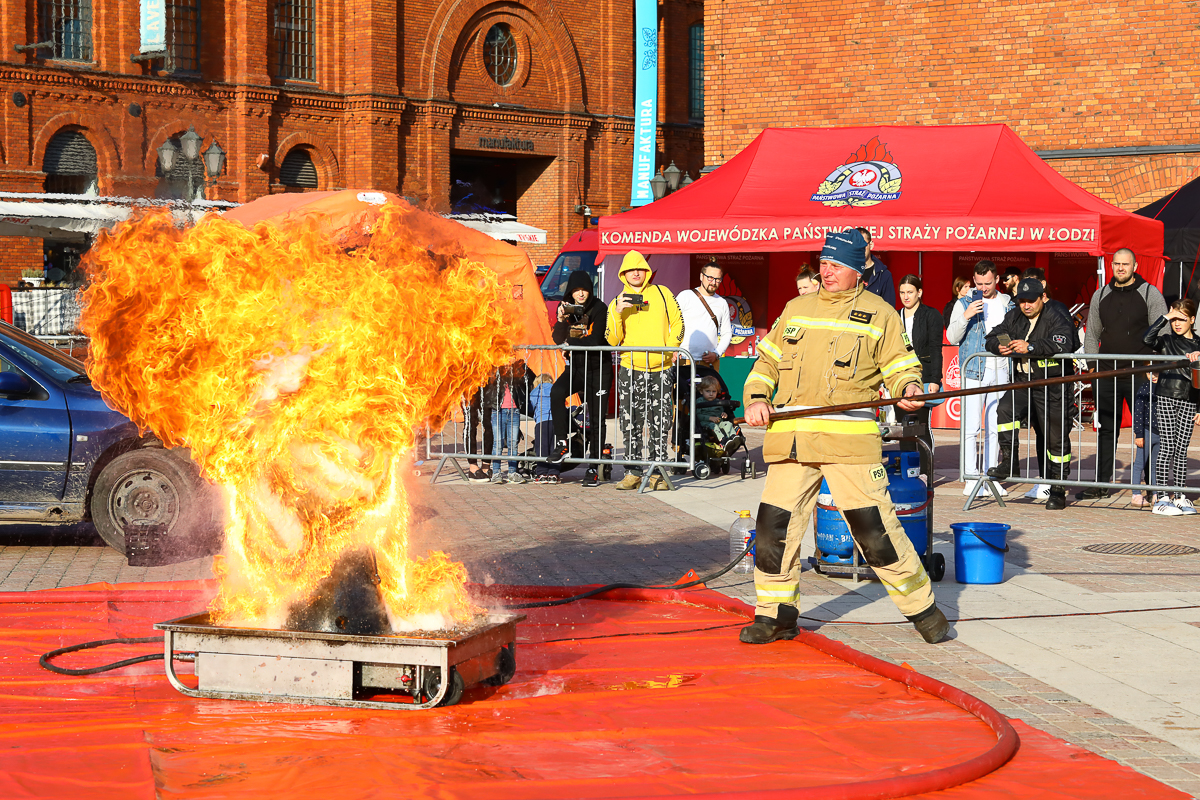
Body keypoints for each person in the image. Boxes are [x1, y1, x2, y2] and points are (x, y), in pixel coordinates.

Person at [739, 229, 949, 646]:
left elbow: (901, 366)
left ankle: (924, 610)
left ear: (858, 270)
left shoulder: (880, 313)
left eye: (836, 265)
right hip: (793, 442)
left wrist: (909, 390)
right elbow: (767, 363)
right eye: (823, 263)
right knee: (772, 530)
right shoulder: (796, 308)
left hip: (847, 443)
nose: (826, 271)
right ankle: (776, 614)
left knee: (875, 532)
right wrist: (757, 397)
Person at [1080, 248, 1167, 500]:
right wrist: (1093, 367)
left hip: (1141, 373)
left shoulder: (1150, 293)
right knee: (1106, 428)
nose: (1120, 268)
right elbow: (1092, 333)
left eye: (1125, 264)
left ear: (1135, 266)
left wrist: (1156, 367)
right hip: (1106, 373)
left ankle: (1152, 484)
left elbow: (1161, 332)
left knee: (1149, 430)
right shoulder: (1100, 294)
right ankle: (1101, 483)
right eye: (1116, 264)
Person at [984, 278, 1076, 510]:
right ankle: (1009, 463)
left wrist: (1032, 347)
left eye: (1030, 301)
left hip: (1052, 384)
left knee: (1055, 438)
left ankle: (1057, 489)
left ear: (1042, 297)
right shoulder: (1014, 316)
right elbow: (991, 337)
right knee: (1005, 410)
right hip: (1023, 382)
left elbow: (1065, 342)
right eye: (1021, 301)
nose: (1026, 305)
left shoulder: (1056, 314)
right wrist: (999, 346)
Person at [606, 251, 685, 491]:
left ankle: (658, 473)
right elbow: (612, 340)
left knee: (660, 421)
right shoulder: (616, 302)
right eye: (631, 270)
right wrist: (618, 312)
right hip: (630, 369)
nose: (636, 273)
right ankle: (632, 472)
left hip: (661, 368)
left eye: (639, 268)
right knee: (631, 422)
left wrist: (670, 349)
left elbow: (679, 323)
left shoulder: (662, 293)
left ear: (646, 271)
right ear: (623, 274)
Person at [946, 260, 1015, 496]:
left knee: (995, 425)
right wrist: (966, 315)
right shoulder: (965, 301)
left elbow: (1011, 333)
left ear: (996, 280)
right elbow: (953, 336)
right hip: (974, 368)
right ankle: (971, 476)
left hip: (1000, 368)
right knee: (971, 425)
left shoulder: (1007, 303)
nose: (983, 288)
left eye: (987, 283)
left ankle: (991, 475)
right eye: (978, 283)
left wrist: (1009, 348)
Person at [548, 269, 612, 487]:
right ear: (571, 292)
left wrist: (571, 345)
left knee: (596, 419)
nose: (581, 294)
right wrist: (561, 320)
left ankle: (594, 466)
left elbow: (595, 340)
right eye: (576, 290)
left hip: (598, 369)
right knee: (556, 392)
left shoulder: (599, 307)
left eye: (584, 290)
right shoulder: (566, 308)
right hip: (577, 367)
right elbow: (557, 338)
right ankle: (563, 442)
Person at [1143, 299, 1200, 516]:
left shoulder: (1199, 343)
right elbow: (1147, 338)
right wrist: (1164, 318)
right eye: (1174, 319)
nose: (1177, 324)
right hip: (1166, 395)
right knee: (1167, 446)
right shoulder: (1166, 340)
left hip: (1189, 398)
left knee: (1181, 449)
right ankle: (1162, 496)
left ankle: (1180, 494)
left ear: (1192, 320)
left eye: (1181, 319)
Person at [896, 275, 943, 478]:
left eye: (910, 292)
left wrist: (934, 379)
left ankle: (925, 473)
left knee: (921, 426)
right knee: (903, 427)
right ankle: (908, 472)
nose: (906, 297)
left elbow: (935, 349)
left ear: (919, 293)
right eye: (902, 292)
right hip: (899, 378)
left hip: (923, 376)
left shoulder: (931, 315)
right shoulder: (894, 316)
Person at [677, 258, 732, 369]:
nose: (713, 282)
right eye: (710, 278)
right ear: (701, 277)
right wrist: (673, 349)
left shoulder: (722, 303)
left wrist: (716, 354)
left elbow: (727, 333)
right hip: (684, 359)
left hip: (709, 363)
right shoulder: (685, 296)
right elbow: (671, 325)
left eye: (718, 279)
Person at [485, 361, 533, 484]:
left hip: (514, 410)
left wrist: (519, 367)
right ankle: (496, 472)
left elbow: (529, 378)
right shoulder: (494, 368)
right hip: (497, 410)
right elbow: (487, 382)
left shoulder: (517, 368)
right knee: (498, 443)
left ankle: (512, 472)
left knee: (513, 443)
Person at [695, 375, 744, 455]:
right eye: (708, 391)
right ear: (701, 391)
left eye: (714, 391)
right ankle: (723, 441)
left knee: (728, 424)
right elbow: (697, 415)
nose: (711, 394)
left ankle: (733, 437)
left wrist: (724, 415)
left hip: (718, 421)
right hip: (705, 422)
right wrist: (710, 418)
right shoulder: (699, 401)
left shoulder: (718, 402)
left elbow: (721, 412)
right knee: (714, 426)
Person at [1129, 378, 1160, 508]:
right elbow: (1138, 412)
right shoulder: (1144, 387)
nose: (1152, 375)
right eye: (1149, 372)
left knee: (1155, 465)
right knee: (1139, 464)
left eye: (1156, 372)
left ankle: (1155, 493)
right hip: (1147, 431)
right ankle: (1136, 494)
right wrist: (1139, 434)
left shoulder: (1164, 387)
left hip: (1161, 432)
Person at [529, 373, 560, 484]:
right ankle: (553, 474)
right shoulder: (556, 389)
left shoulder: (535, 392)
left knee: (542, 447)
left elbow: (531, 407)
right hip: (556, 422)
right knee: (555, 449)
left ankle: (542, 473)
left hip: (542, 421)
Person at [854, 227, 895, 306]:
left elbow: (890, 308)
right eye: (856, 246)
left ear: (871, 245)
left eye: (863, 245)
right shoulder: (846, 272)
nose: (859, 249)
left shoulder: (884, 275)